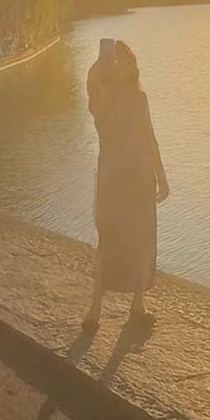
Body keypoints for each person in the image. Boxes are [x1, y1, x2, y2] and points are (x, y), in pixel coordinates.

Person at [82, 40, 170, 334]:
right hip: (112, 180)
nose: (118, 63)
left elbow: (149, 137)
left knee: (142, 240)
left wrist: (161, 175)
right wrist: (100, 64)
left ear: (133, 65)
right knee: (108, 241)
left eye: (123, 59)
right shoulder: (101, 95)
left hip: (140, 178)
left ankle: (138, 305)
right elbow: (92, 82)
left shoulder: (139, 98)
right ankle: (94, 309)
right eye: (113, 59)